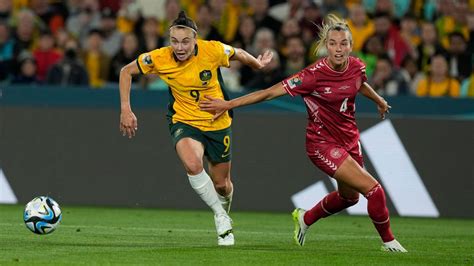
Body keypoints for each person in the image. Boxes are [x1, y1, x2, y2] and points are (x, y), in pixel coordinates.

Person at [199, 14, 407, 252]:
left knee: (350, 198)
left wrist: (379, 100)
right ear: (325, 46)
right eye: (333, 43)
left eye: (344, 43)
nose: (338, 49)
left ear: (351, 45)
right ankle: (389, 242)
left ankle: (305, 218)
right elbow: (268, 93)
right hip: (322, 144)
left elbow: (360, 83)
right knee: (374, 190)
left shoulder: (357, 66)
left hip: (350, 140)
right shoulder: (312, 76)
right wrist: (228, 104)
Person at [119, 11, 273, 246]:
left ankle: (224, 212)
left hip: (217, 122)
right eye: (174, 41)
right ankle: (220, 217)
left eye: (185, 41)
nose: (179, 47)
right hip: (184, 120)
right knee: (192, 164)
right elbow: (126, 71)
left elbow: (237, 53)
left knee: (222, 184)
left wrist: (257, 63)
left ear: (195, 39)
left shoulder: (211, 50)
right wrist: (126, 109)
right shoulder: (159, 58)